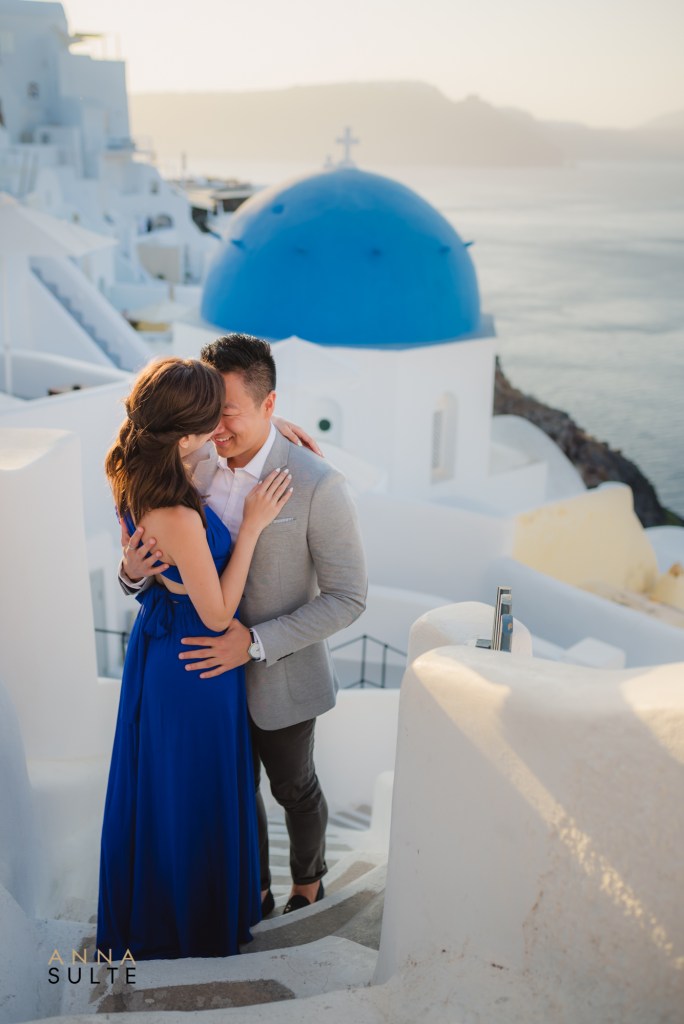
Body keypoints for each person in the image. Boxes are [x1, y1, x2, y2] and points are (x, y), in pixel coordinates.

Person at [121, 334, 368, 917]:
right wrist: (131, 574)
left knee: (293, 790)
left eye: (227, 413)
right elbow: (164, 550)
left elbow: (348, 598)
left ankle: (307, 883)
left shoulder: (317, 484)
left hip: (280, 675)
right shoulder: (190, 463)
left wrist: (254, 643)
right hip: (206, 680)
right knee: (234, 797)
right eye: (208, 414)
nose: (216, 428)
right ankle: (250, 891)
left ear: (269, 405)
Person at [98, 356, 295, 960]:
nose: (218, 429)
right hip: (196, 660)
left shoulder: (139, 472)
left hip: (163, 647)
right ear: (185, 433)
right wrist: (256, 526)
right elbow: (217, 614)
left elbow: (151, 572)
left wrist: (280, 433)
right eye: (211, 418)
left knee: (167, 791)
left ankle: (175, 913)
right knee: (191, 795)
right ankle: (188, 930)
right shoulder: (179, 513)